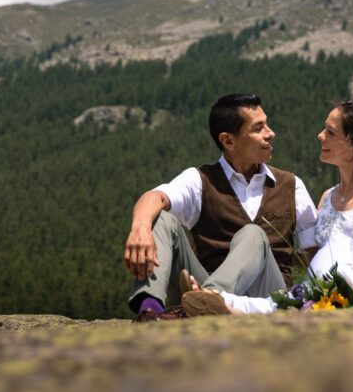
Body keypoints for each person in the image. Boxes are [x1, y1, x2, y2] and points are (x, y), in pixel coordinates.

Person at [196, 100, 353, 314]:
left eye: (330, 132)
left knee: (309, 308)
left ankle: (228, 306)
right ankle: (217, 301)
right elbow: (308, 255)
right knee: (276, 304)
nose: (320, 136)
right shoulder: (327, 197)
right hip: (322, 297)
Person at [124, 93, 318, 321]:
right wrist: (140, 229)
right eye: (258, 128)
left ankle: (207, 298)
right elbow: (155, 197)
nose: (270, 133)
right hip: (198, 286)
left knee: (253, 234)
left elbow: (313, 252)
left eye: (267, 124)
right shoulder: (200, 180)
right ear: (228, 141)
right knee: (159, 218)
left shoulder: (291, 185)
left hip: (266, 297)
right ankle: (150, 311)